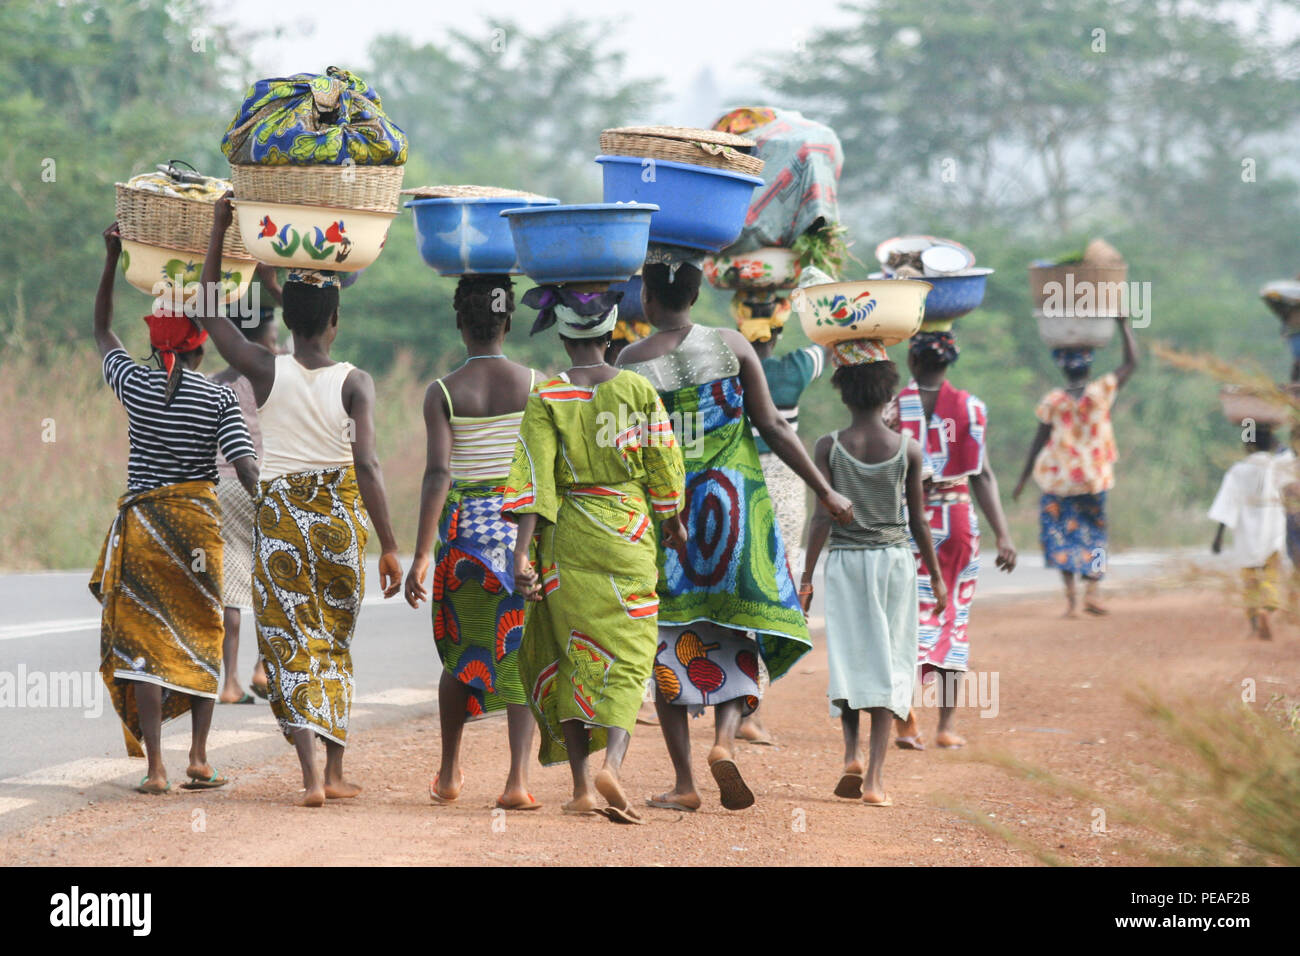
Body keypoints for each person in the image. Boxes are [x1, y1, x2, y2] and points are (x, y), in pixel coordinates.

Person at [619, 250, 852, 813]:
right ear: (697, 298)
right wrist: (825, 489)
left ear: (646, 300)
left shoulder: (629, 361)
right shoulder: (733, 344)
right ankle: (723, 741)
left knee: (669, 642)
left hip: (670, 521)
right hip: (738, 511)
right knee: (739, 629)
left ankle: (684, 783)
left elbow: (628, 450)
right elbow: (771, 425)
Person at [195, 194, 404, 807]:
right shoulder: (356, 381)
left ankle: (311, 774)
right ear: (335, 321)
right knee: (332, 640)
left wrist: (217, 228)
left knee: (288, 641)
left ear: (288, 321)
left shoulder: (263, 369)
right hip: (338, 516)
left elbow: (209, 309)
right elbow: (366, 465)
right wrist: (390, 545)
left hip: (281, 514)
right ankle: (335, 773)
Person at [502, 287, 686, 823]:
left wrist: (521, 555)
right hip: (627, 535)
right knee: (630, 651)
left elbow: (535, 480)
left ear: (562, 337)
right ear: (611, 336)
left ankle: (584, 785)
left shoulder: (547, 396)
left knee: (570, 653)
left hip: (566, 542)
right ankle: (616, 763)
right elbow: (664, 468)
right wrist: (672, 523)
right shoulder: (637, 389)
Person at [90, 223, 258, 795]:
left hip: (143, 528)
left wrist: (112, 257)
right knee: (202, 634)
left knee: (144, 644)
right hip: (196, 529)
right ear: (200, 344)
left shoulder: (133, 383)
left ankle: (156, 768)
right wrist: (274, 509)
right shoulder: (219, 395)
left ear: (155, 342)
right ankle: (200, 759)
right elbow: (245, 464)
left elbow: (101, 329)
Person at [404, 276, 542, 810]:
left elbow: (438, 473)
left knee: (462, 651)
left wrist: (421, 554)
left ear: (459, 322)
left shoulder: (442, 391)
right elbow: (540, 473)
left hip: (463, 541)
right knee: (517, 652)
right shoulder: (537, 383)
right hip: (518, 540)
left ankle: (449, 773)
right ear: (507, 323)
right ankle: (516, 782)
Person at [801, 346, 946, 806]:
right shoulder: (908, 449)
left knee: (848, 658)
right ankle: (877, 780)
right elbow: (920, 522)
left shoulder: (829, 446)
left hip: (844, 565)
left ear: (843, 393)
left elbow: (820, 519)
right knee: (889, 662)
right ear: (889, 396)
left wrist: (806, 577)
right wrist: (938, 579)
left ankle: (850, 753)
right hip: (893, 563)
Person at [887, 330, 1016, 751]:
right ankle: (946, 726)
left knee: (905, 616)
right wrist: (1003, 534)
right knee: (953, 618)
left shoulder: (892, 408)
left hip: (908, 518)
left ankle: (906, 713)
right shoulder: (971, 408)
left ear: (912, 357)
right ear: (950, 361)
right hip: (957, 520)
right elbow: (983, 474)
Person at [733, 296, 825, 746]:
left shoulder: (727, 367)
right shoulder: (795, 368)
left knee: (739, 587)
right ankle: (753, 708)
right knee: (775, 592)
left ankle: (722, 699)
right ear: (779, 330)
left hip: (739, 485)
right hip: (786, 488)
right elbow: (828, 343)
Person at [1013, 316, 1137, 616]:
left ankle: (1071, 601)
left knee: (1060, 536)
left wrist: (1023, 478)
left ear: (1063, 368)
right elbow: (1131, 363)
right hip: (1093, 478)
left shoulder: (1054, 401)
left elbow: (1038, 441)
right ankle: (1093, 591)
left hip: (1059, 481)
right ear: (1089, 366)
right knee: (1095, 534)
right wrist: (1124, 325)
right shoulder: (1100, 392)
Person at [212, 266, 281, 704]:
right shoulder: (275, 374)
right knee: (272, 577)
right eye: (273, 336)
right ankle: (262, 668)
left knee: (232, 587)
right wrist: (272, 274)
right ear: (261, 339)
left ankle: (230, 683)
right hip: (263, 482)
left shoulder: (215, 383)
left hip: (223, 486)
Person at [1210, 423, 1286, 639]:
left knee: (1250, 581)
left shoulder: (1238, 471)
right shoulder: (1278, 467)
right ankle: (1267, 609)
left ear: (1247, 446)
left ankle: (1254, 624)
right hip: (1273, 532)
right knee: (1271, 577)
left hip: (1247, 536)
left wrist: (1218, 537)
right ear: (1271, 443)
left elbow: (1226, 504)